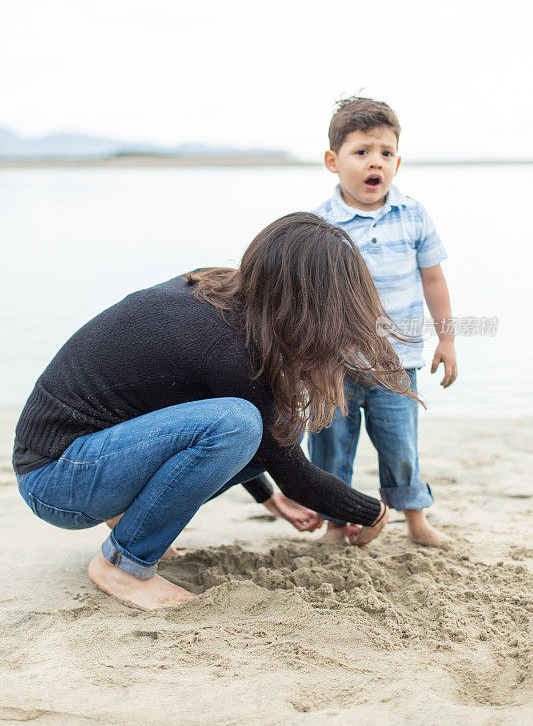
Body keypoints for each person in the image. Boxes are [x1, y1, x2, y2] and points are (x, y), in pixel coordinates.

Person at [13, 213, 416, 611]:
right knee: (240, 424)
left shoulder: (220, 288)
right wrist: (372, 512)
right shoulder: (229, 347)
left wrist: (267, 497)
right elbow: (296, 476)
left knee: (257, 426)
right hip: (58, 478)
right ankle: (123, 566)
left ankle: (128, 523)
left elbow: (244, 431)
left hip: (88, 460)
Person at [308, 96, 458, 548]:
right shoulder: (321, 223)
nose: (376, 162)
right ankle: (336, 522)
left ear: (398, 160)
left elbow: (433, 280)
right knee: (331, 445)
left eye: (385, 153)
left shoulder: (412, 215)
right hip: (335, 362)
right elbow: (308, 296)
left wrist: (447, 341)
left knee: (401, 443)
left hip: (399, 359)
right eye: (362, 152)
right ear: (334, 161)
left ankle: (415, 519)